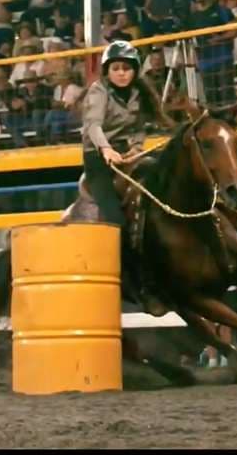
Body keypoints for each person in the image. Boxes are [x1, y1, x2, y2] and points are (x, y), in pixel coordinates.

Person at [81, 40, 173, 316]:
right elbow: (92, 126)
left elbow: (139, 127)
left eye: (126, 68)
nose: (122, 73)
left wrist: (135, 147)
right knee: (116, 221)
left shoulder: (138, 93)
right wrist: (106, 149)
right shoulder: (97, 92)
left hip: (127, 156)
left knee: (160, 173)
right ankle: (132, 284)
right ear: (108, 71)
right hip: (99, 160)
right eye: (116, 68)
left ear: (134, 71)